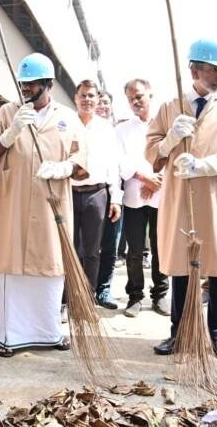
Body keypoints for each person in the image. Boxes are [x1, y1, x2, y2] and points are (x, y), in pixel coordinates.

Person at [146, 39, 217, 365]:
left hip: (216, 197)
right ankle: (180, 331)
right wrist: (168, 141)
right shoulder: (170, 107)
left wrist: (214, 163)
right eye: (213, 68)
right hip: (181, 197)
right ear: (194, 69)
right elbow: (151, 151)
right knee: (182, 268)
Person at [0, 52, 87, 357]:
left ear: (48, 84)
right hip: (14, 207)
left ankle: (48, 332)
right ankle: (10, 337)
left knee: (50, 269)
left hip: (50, 207)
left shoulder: (67, 118)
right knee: (14, 270)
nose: (26, 89)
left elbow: (82, 158)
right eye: (22, 84)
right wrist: (11, 131)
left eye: (33, 84)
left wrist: (65, 167)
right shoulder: (6, 113)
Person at [117, 78, 169, 317]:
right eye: (131, 98)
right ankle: (135, 296)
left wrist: (155, 182)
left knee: (161, 248)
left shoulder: (166, 125)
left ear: (150, 94)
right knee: (134, 250)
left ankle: (160, 294)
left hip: (161, 195)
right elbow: (122, 161)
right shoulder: (122, 129)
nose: (136, 101)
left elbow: (171, 157)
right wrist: (144, 178)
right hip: (134, 197)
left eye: (139, 96)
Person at [70, 80, 122, 308]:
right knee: (69, 248)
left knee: (92, 250)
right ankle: (66, 299)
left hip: (97, 194)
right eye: (83, 95)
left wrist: (116, 199)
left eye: (91, 96)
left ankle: (87, 298)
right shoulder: (66, 123)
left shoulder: (105, 127)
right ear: (75, 98)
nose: (87, 100)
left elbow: (113, 166)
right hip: (68, 193)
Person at [96, 90, 123, 309]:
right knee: (86, 246)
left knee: (110, 245)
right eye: (99, 101)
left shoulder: (118, 131)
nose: (101, 105)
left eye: (106, 101)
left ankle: (104, 289)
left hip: (113, 192)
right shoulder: (83, 128)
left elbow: (117, 168)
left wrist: (116, 197)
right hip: (88, 193)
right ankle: (84, 288)